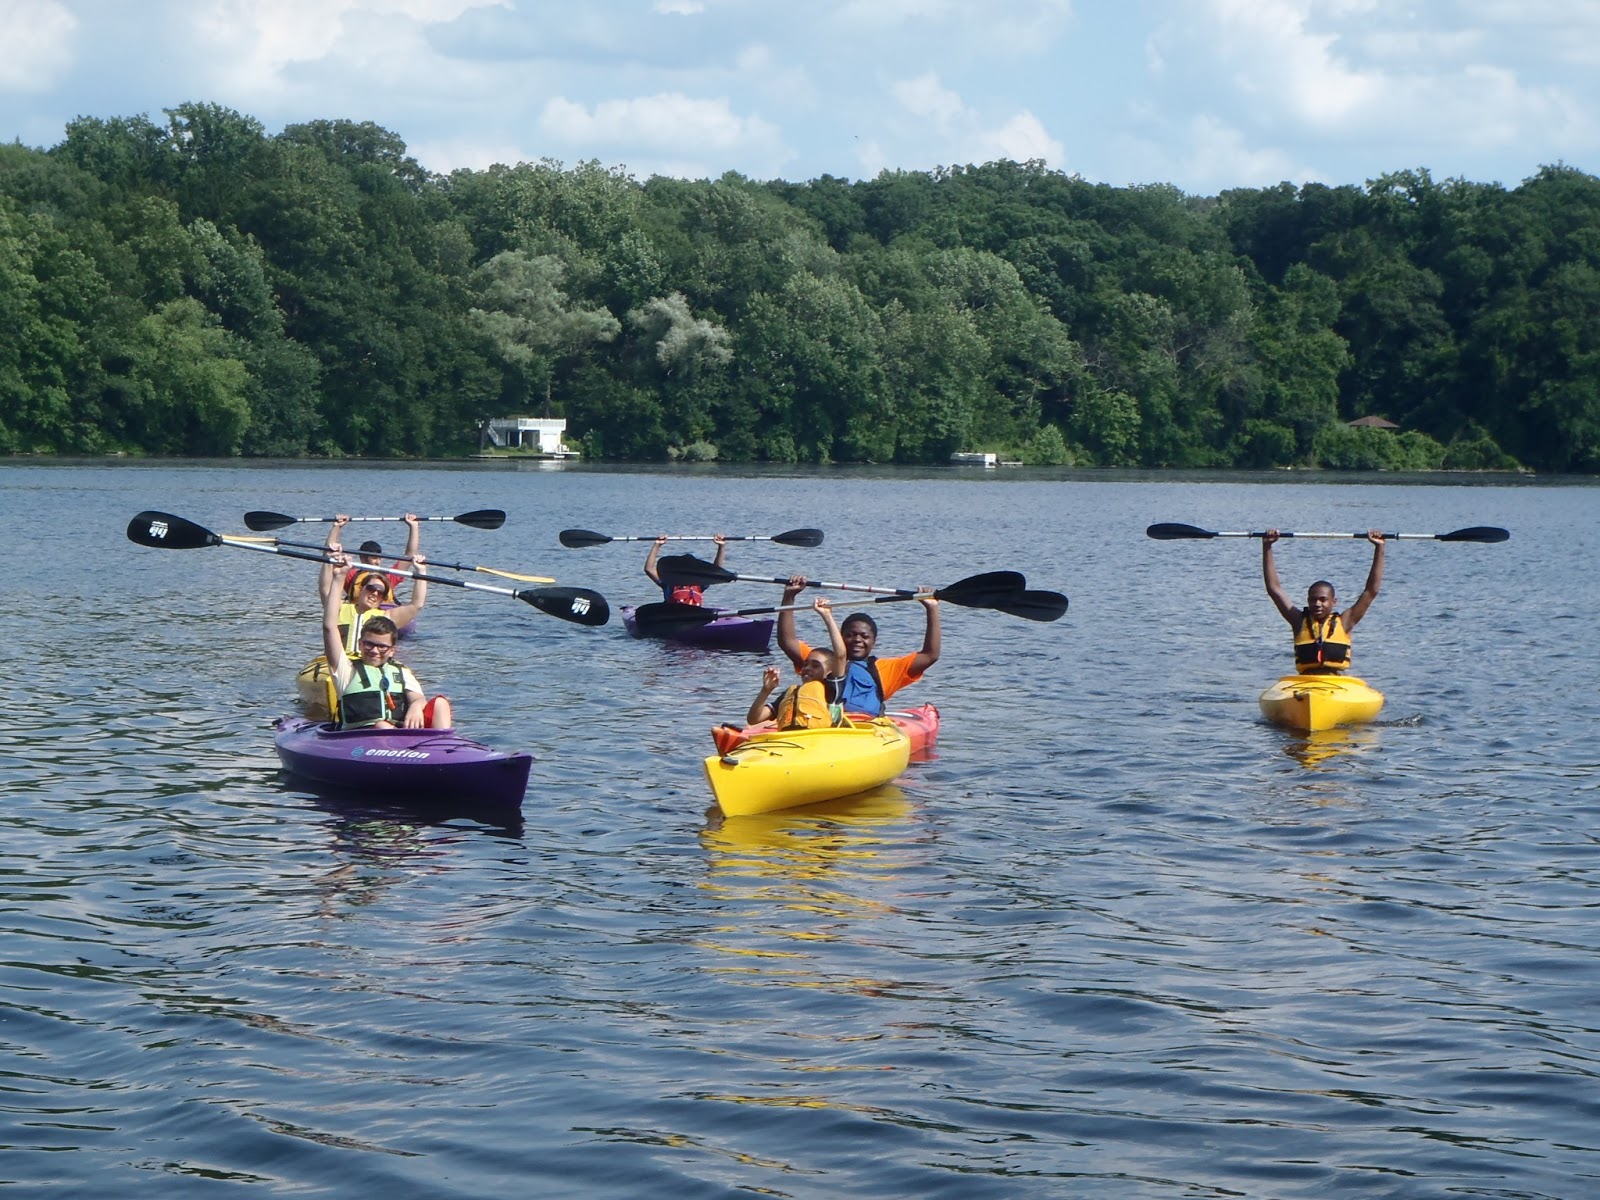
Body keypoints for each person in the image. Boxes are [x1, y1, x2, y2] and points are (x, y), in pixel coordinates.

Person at [776, 575, 940, 718]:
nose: (857, 640)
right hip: (823, 725)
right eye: (850, 635)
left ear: (874, 642)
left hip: (864, 731)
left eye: (865, 636)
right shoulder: (822, 661)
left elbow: (930, 655)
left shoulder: (886, 669)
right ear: (840, 637)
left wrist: (932, 609)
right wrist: (789, 596)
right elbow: (787, 641)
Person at [321, 552, 452, 729]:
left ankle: (443, 747)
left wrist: (416, 705)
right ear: (361, 644)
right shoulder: (346, 669)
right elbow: (329, 626)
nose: (375, 650)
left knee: (440, 704)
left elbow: (417, 604)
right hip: (364, 734)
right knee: (382, 725)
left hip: (397, 736)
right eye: (370, 645)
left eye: (382, 647)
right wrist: (339, 575)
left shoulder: (400, 669)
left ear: (392, 650)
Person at [1262, 528, 1385, 674]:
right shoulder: (1298, 621)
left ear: (1334, 601)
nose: (1317, 604)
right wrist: (1267, 546)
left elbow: (1371, 591)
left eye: (1323, 600)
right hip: (1305, 682)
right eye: (1313, 600)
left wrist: (1379, 547)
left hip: (1335, 682)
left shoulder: (1346, 621)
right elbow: (1274, 590)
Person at [318, 536, 429, 659]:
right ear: (361, 589)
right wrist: (328, 559)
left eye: (380, 592)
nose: (375, 594)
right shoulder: (339, 608)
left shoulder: (387, 617)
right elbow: (325, 588)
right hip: (340, 663)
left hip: (369, 663)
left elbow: (416, 604)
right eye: (371, 588)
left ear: (382, 599)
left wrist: (421, 572)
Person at [746, 597, 847, 729]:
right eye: (805, 664)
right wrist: (766, 690)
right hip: (792, 741)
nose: (807, 668)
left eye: (816, 665)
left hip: (820, 741)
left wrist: (827, 616)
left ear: (829, 671)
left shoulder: (832, 689)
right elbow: (754, 719)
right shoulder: (790, 693)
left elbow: (840, 656)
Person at [325, 513, 420, 601]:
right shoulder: (350, 575)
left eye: (379, 558)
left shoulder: (389, 577)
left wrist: (414, 527)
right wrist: (336, 527)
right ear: (362, 558)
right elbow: (331, 552)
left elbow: (409, 555)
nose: (378, 562)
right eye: (374, 558)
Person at [645, 533, 727, 604]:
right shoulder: (669, 583)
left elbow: (716, 572)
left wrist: (721, 547)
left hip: (695, 618)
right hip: (674, 618)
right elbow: (649, 569)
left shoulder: (700, 584)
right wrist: (657, 545)